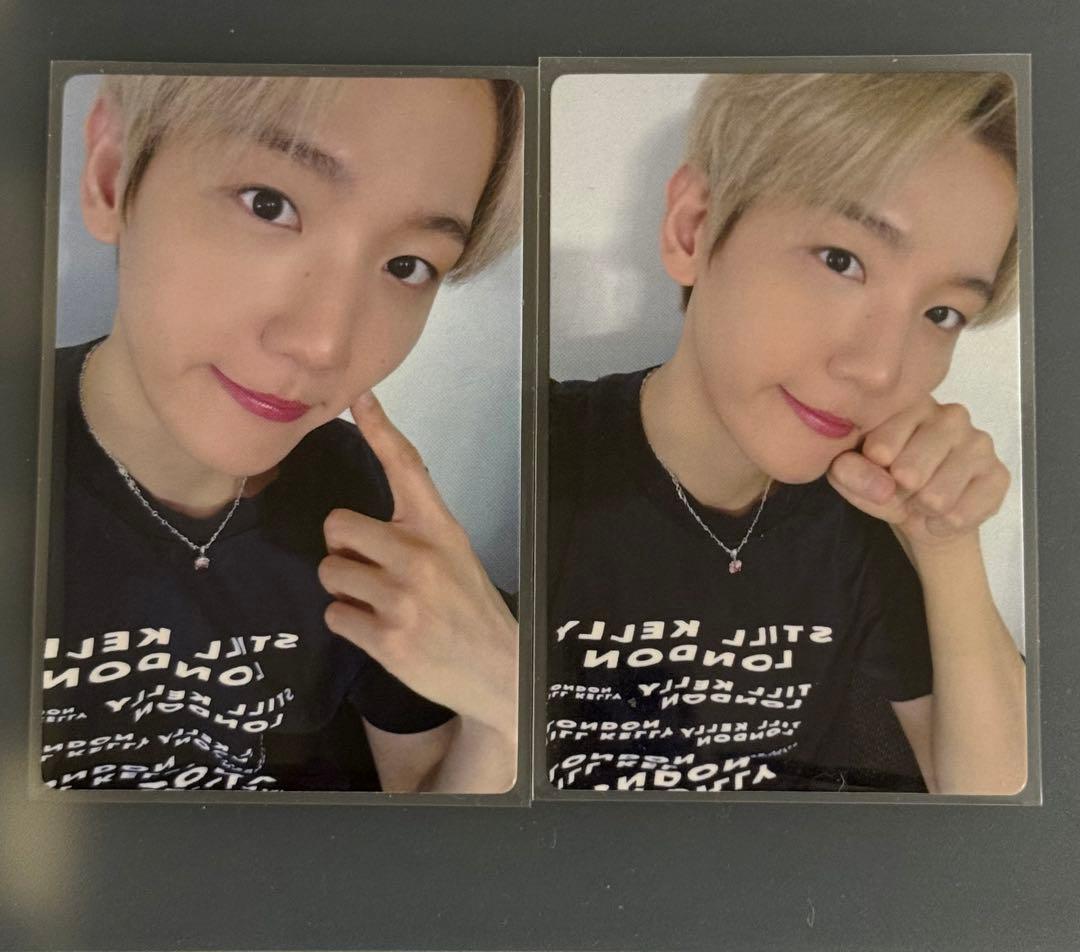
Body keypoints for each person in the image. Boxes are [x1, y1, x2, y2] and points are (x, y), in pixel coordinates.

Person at [546, 71, 1027, 794]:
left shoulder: (875, 503)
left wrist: (947, 546)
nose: (880, 370)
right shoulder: (541, 454)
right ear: (693, 228)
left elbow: (1002, 820)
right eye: (842, 261)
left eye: (941, 314)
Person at [41, 73, 522, 792]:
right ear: (112, 175)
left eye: (407, 265)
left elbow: (424, 801)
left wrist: (507, 706)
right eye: (269, 204)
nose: (325, 345)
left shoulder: (356, 497)